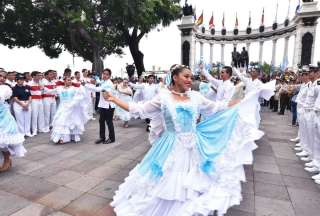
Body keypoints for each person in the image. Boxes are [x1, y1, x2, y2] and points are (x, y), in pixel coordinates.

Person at [102, 64, 274, 216]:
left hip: (194, 147)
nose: (189, 80)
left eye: (191, 77)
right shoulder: (163, 97)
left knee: (193, 187)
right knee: (167, 186)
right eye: (186, 76)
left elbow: (216, 108)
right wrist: (114, 99)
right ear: (175, 77)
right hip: (170, 147)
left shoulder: (196, 97)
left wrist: (240, 102)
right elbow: (138, 109)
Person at [44, 77, 89, 144]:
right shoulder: (59, 88)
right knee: (61, 121)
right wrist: (43, 88)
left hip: (71, 107)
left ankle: (71, 136)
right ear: (64, 81)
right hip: (62, 107)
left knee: (71, 122)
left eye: (70, 80)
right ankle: (62, 138)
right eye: (68, 80)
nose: (70, 81)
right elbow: (50, 91)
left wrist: (74, 102)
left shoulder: (74, 89)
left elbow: (81, 95)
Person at [0, 73, 27, 172]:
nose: (1, 78)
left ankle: (7, 160)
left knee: (3, 141)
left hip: (3, 118)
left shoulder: (4, 88)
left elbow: (2, 97)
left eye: (2, 76)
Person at [85, 68, 116, 144]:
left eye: (107, 74)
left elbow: (97, 89)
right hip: (102, 105)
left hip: (109, 105)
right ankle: (102, 137)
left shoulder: (108, 83)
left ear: (109, 76)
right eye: (104, 74)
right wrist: (95, 79)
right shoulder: (104, 81)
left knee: (109, 122)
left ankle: (112, 138)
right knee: (101, 121)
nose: (105, 75)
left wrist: (86, 85)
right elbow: (99, 82)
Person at [29, 71, 47, 135]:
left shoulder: (40, 82)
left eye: (40, 75)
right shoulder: (30, 83)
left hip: (40, 99)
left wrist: (40, 84)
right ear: (33, 76)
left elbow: (42, 90)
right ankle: (34, 130)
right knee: (34, 115)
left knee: (41, 114)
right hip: (33, 100)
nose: (40, 77)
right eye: (38, 75)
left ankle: (41, 128)